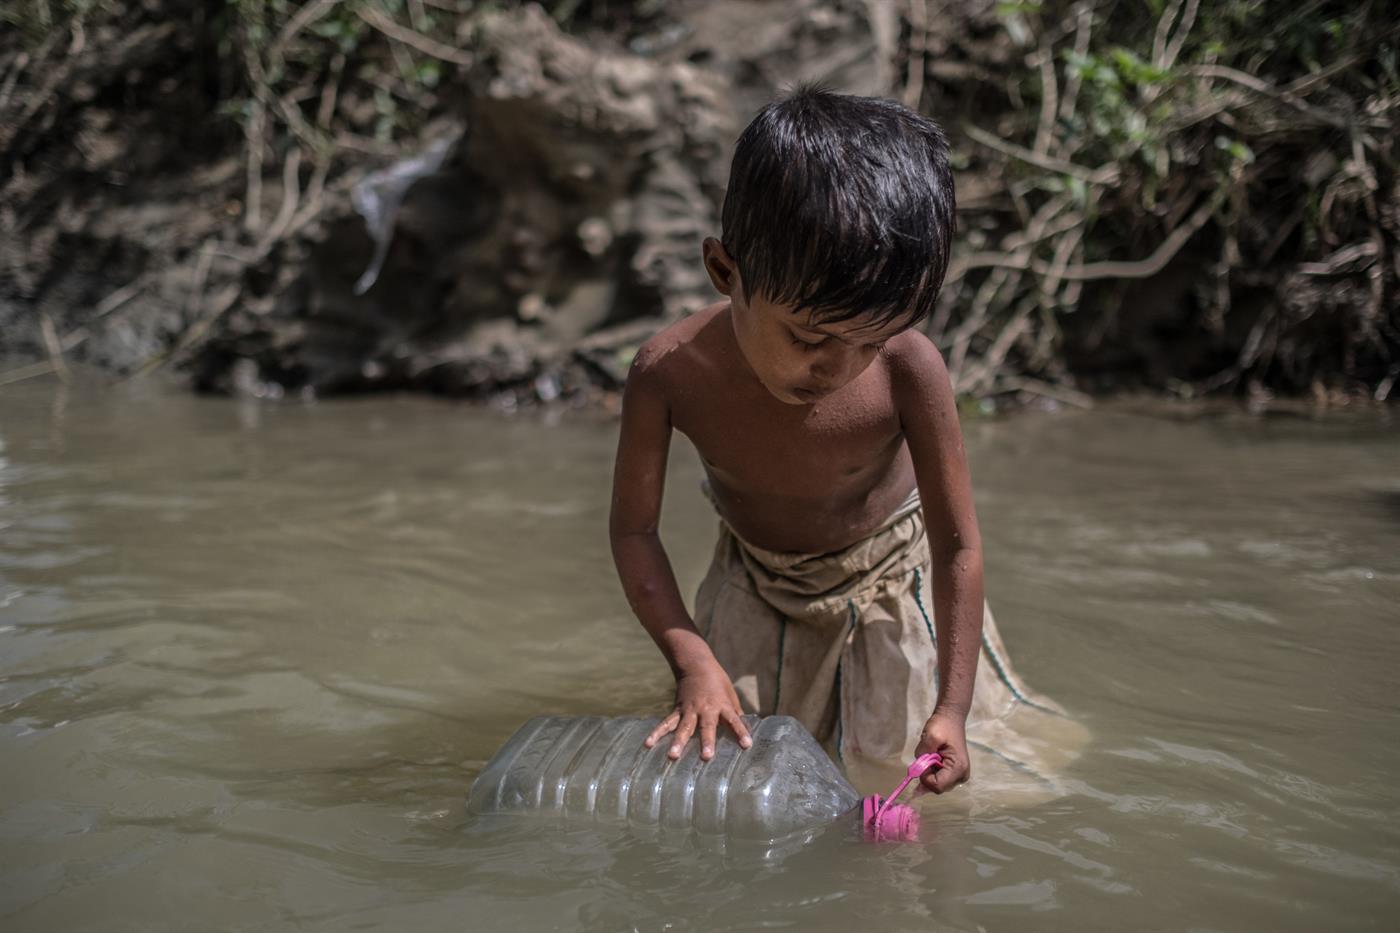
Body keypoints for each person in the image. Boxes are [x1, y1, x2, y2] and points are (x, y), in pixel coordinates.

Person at [608, 86, 1058, 795]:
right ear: (726, 272)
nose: (840, 368)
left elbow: (958, 546)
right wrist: (692, 657)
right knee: (724, 775)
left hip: (889, 587)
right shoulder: (669, 374)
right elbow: (635, 533)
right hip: (753, 582)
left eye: (870, 340)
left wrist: (952, 706)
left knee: (906, 783)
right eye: (810, 337)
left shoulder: (910, 369)